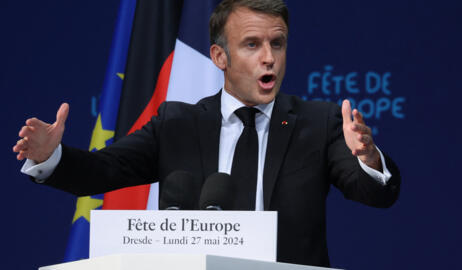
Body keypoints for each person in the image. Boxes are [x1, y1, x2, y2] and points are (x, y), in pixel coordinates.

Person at [13, 0, 400, 267]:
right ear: (219, 57)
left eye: (277, 43)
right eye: (252, 44)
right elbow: (102, 171)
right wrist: (51, 155)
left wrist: (368, 160)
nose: (269, 57)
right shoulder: (177, 124)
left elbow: (373, 191)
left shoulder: (319, 122)